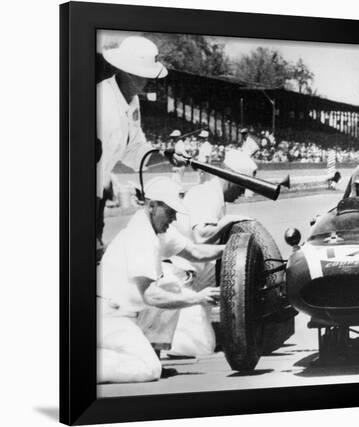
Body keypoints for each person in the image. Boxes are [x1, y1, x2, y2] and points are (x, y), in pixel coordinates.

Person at [97, 177, 221, 383]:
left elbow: (196, 252)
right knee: (148, 369)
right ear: (152, 206)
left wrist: (238, 248)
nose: (173, 218)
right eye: (170, 212)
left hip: (125, 313)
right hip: (110, 317)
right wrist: (197, 298)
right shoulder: (140, 237)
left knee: (170, 285)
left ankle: (150, 353)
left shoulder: (157, 229)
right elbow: (151, 296)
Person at [160, 149, 258, 357]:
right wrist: (229, 222)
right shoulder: (207, 195)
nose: (243, 193)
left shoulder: (213, 196)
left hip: (190, 276)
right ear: (230, 179)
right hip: (177, 279)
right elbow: (202, 237)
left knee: (203, 343)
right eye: (242, 186)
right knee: (195, 347)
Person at [96, 36, 184, 255]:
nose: (148, 80)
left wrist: (165, 155)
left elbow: (134, 150)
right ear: (126, 71)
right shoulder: (101, 101)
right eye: (142, 74)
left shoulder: (132, 101)